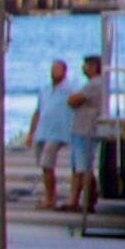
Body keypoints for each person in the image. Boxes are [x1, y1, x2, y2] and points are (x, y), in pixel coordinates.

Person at [28, 57, 76, 210]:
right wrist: (31, 132)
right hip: (43, 130)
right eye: (53, 69)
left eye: (57, 69)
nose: (54, 72)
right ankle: (49, 196)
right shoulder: (45, 89)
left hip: (58, 131)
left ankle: (51, 198)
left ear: (64, 72)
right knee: (43, 166)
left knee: (47, 163)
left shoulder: (70, 89)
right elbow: (37, 111)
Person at [66, 55, 106, 213]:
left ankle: (88, 201)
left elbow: (73, 100)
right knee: (78, 168)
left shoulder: (95, 84)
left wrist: (72, 99)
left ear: (94, 67)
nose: (83, 68)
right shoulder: (92, 84)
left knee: (84, 168)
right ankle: (74, 201)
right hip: (80, 128)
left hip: (86, 130)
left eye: (87, 65)